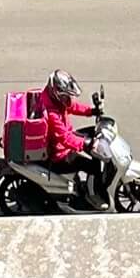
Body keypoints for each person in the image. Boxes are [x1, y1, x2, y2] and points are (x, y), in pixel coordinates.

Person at [39, 69, 101, 204]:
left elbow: (72, 107)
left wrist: (91, 111)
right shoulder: (52, 113)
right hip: (60, 155)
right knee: (94, 166)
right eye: (66, 96)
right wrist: (85, 144)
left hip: (65, 138)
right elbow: (64, 139)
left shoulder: (54, 99)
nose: (68, 99)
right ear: (57, 93)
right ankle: (92, 195)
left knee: (93, 133)